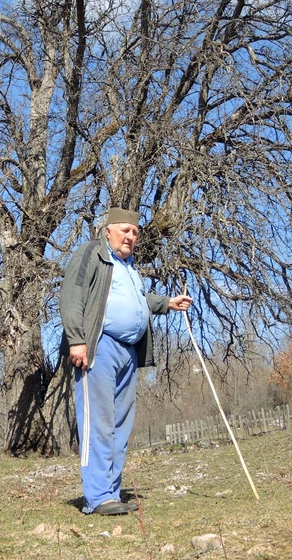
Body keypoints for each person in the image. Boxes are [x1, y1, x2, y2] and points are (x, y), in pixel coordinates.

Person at [59, 207, 192, 515]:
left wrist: (167, 303)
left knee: (120, 425)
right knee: (99, 423)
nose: (131, 236)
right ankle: (97, 496)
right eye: (125, 231)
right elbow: (72, 295)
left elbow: (135, 301)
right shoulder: (92, 253)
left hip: (129, 352)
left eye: (135, 232)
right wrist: (77, 340)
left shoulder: (129, 267)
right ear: (108, 231)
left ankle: (112, 493)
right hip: (99, 347)